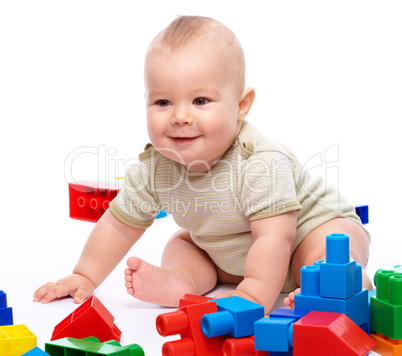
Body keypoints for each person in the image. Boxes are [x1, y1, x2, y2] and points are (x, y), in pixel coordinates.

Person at [33, 15, 371, 313]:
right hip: (231, 256)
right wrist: (85, 274)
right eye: (163, 101)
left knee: (327, 247)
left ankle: (338, 285)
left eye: (200, 101)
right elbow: (119, 227)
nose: (180, 116)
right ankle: (181, 282)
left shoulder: (259, 162)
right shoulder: (154, 169)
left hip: (302, 234)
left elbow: (275, 238)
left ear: (241, 106)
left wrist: (252, 295)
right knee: (183, 243)